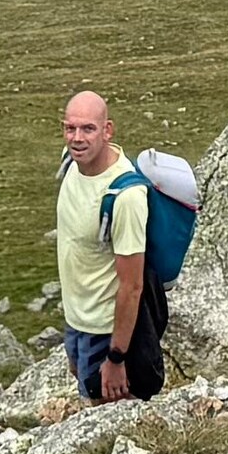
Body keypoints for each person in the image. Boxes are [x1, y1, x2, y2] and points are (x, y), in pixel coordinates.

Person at [55, 87, 162, 404]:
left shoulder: (125, 197)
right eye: (70, 128)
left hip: (104, 329)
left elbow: (132, 285)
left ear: (107, 130)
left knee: (110, 409)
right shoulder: (71, 163)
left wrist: (116, 359)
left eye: (88, 128)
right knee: (87, 390)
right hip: (76, 317)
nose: (77, 138)